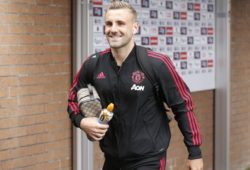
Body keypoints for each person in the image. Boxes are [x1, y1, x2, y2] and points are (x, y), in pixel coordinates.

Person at [67, 1, 203, 170]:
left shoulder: (157, 63)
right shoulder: (93, 64)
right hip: (112, 159)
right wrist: (82, 122)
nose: (113, 29)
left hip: (149, 159)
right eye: (109, 23)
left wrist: (194, 152)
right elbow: (72, 98)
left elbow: (183, 106)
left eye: (121, 23)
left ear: (135, 28)